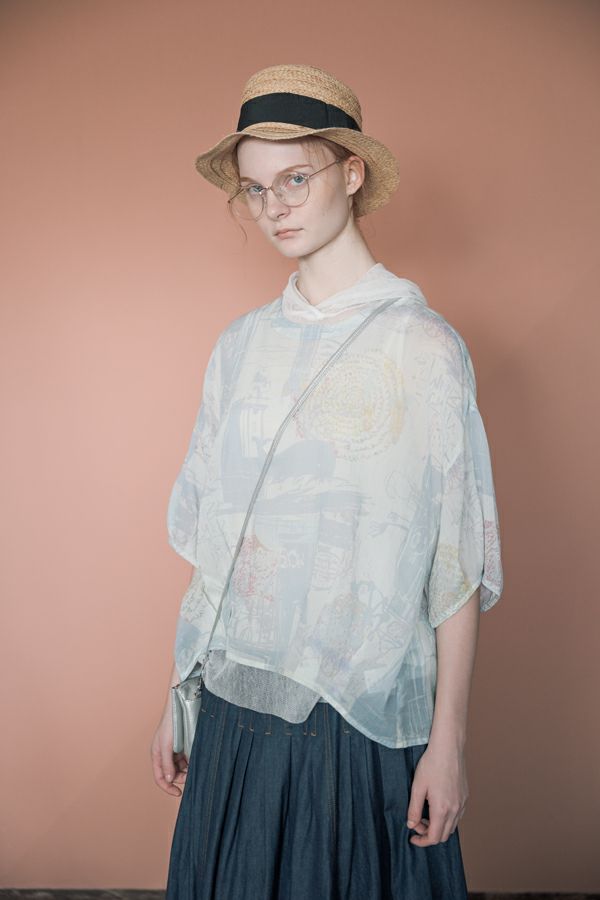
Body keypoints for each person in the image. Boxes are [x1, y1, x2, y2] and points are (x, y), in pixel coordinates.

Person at [150, 63, 503, 900]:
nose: (274, 206)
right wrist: (179, 692)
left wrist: (448, 741)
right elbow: (221, 543)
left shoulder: (422, 347)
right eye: (255, 188)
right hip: (237, 707)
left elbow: (454, 563)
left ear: (352, 173)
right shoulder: (242, 347)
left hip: (361, 720)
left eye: (295, 179)